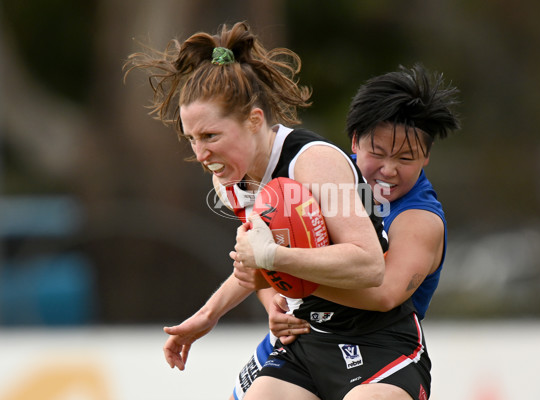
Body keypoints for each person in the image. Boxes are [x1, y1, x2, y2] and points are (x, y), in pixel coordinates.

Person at [123, 21, 388, 400]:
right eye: (192, 139)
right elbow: (260, 265)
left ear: (254, 120)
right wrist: (211, 314)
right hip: (307, 336)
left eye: (211, 136)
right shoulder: (230, 181)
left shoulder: (312, 163)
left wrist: (272, 257)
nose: (200, 155)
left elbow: (370, 265)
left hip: (374, 334)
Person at [239, 64, 461, 400]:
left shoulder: (420, 220)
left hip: (381, 349)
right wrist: (275, 302)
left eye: (405, 158)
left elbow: (384, 292)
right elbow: (259, 264)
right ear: (355, 141)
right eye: (377, 153)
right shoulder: (326, 179)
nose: (388, 170)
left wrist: (282, 268)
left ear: (426, 156)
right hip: (308, 340)